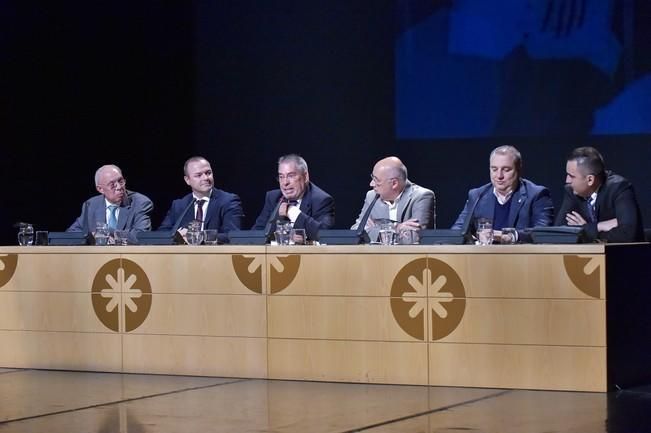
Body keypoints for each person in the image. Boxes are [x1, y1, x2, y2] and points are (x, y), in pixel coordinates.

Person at [451, 145, 553, 242]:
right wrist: (469, 239)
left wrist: (508, 236)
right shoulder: (477, 195)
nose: (499, 176)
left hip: (521, 258)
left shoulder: (537, 195)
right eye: (494, 169)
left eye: (506, 170)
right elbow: (457, 230)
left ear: (519, 169)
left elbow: (542, 233)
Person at [555, 146, 644, 242]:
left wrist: (586, 230)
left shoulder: (619, 187)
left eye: (571, 176)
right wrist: (600, 226)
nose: (567, 181)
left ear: (590, 179)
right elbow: (558, 234)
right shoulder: (571, 191)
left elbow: (628, 234)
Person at [159, 156, 243, 243]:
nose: (206, 178)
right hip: (184, 255)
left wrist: (198, 236)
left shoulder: (228, 201)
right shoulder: (179, 205)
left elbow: (232, 235)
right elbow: (162, 235)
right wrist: (177, 236)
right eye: (198, 175)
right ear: (187, 180)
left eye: (208, 173)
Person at [252, 154, 335, 241]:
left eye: (291, 176)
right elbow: (255, 235)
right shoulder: (273, 198)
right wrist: (286, 237)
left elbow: (325, 235)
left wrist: (292, 212)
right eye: (281, 177)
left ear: (305, 176)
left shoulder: (321, 200)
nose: (285, 182)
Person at [351, 156, 435, 242]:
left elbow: (413, 238)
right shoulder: (371, 196)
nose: (371, 184)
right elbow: (356, 232)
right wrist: (397, 228)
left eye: (376, 180)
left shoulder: (422, 196)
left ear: (394, 183)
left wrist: (375, 229)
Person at [67, 164, 153, 238]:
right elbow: (72, 233)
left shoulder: (141, 203)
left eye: (121, 181)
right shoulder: (91, 205)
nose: (119, 187)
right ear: (100, 189)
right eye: (112, 185)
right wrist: (90, 236)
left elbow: (141, 236)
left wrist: (106, 232)